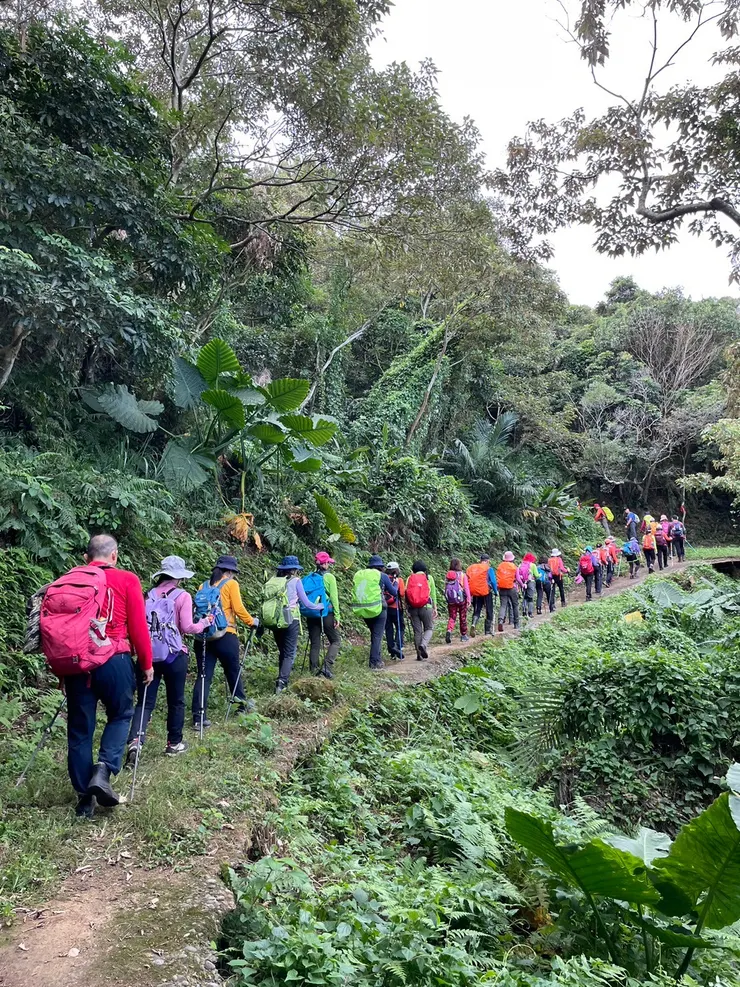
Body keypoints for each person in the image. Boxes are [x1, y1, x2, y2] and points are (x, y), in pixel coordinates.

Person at [59, 534, 153, 817]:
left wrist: (63, 674)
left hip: (78, 665)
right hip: (114, 658)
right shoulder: (127, 579)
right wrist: (146, 663)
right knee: (122, 714)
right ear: (114, 556)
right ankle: (103, 771)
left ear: (86, 558)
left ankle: (84, 800)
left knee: (79, 728)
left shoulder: (70, 579)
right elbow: (138, 626)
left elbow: (61, 632)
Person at [126, 556, 213, 767]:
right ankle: (173, 743)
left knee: (145, 701)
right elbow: (187, 627)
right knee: (176, 700)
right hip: (174, 655)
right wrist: (204, 622)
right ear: (179, 577)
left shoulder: (146, 596)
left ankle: (136, 741)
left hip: (148, 656)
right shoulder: (182, 596)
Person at [192, 555, 258, 726]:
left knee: (203, 675)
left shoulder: (203, 586)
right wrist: (252, 621)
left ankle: (199, 717)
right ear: (229, 571)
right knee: (233, 671)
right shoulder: (231, 584)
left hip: (204, 636)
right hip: (225, 635)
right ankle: (241, 706)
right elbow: (238, 608)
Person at [262, 556, 321, 692]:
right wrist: (320, 606)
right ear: (294, 570)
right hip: (290, 619)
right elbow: (307, 603)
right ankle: (282, 683)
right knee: (289, 653)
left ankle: (281, 677)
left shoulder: (273, 580)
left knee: (283, 651)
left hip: (275, 619)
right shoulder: (295, 581)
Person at [352, 555, 397, 669]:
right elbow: (393, 592)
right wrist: (395, 584)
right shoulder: (382, 576)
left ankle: (377, 658)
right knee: (377, 636)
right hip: (378, 610)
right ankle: (374, 662)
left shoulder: (360, 574)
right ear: (380, 567)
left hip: (363, 609)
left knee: (374, 634)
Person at [302, 551, 342, 679]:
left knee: (315, 643)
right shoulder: (329, 577)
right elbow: (334, 598)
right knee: (335, 640)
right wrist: (337, 616)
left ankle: (313, 670)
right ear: (324, 564)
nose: (329, 565)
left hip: (311, 614)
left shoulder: (309, 577)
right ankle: (326, 666)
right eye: (328, 563)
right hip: (326, 613)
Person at [406, 560, 438, 661]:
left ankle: (419, 655)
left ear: (413, 569)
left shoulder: (410, 578)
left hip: (413, 608)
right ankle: (423, 645)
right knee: (429, 628)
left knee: (417, 631)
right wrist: (435, 608)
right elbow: (433, 594)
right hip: (426, 607)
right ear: (425, 569)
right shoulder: (429, 578)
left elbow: (406, 593)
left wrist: (407, 609)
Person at [467, 554, 498, 637]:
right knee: (489, 610)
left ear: (480, 560)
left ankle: (473, 623)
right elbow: (493, 582)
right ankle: (487, 630)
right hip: (486, 592)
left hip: (475, 592)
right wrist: (495, 591)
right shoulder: (488, 568)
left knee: (477, 609)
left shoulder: (472, 568)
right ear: (487, 561)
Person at [444, 558, 470, 643]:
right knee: (462, 617)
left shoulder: (448, 575)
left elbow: (446, 587)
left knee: (452, 616)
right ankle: (463, 635)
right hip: (461, 598)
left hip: (451, 599)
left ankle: (449, 630)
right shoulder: (462, 575)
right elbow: (466, 588)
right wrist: (469, 599)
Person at [384, 562, 406, 659]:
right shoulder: (399, 580)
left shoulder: (383, 578)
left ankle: (391, 649)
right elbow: (401, 593)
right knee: (400, 627)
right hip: (396, 608)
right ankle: (398, 646)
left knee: (389, 629)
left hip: (385, 607)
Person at [496, 552, 520, 631]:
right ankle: (516, 624)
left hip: (502, 588)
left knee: (503, 605)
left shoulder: (500, 566)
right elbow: (518, 579)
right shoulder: (514, 567)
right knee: (515, 605)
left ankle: (500, 620)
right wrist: (523, 585)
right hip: (511, 588)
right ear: (512, 559)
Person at [517, 553, 539, 618]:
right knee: (530, 598)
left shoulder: (520, 565)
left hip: (523, 583)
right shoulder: (533, 565)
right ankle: (530, 613)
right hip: (530, 582)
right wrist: (540, 575)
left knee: (524, 597)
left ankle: (524, 611)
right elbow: (537, 575)